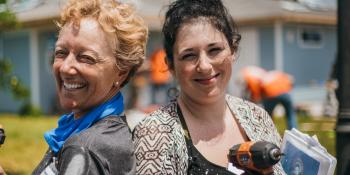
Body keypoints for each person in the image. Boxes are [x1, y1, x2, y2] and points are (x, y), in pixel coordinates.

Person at [133, 0, 285, 174]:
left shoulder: (258, 118)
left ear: (233, 50)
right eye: (189, 55)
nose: (204, 66)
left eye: (214, 50)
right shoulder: (154, 134)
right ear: (171, 66)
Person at [32, 0, 148, 174]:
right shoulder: (109, 132)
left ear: (121, 72)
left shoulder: (85, 149)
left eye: (86, 58)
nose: (65, 67)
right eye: (61, 53)